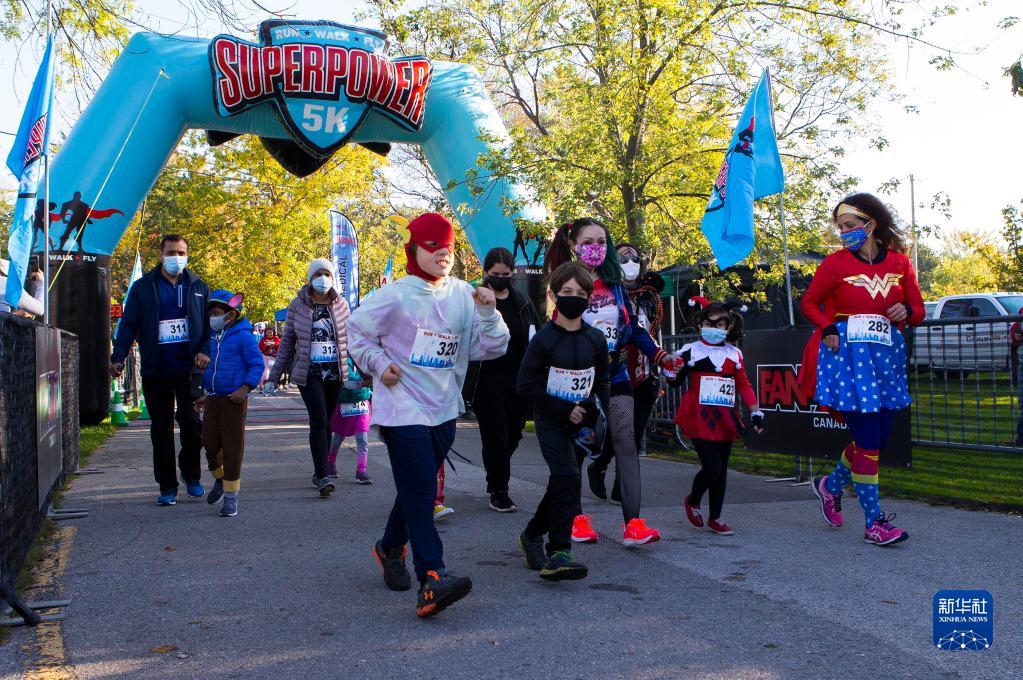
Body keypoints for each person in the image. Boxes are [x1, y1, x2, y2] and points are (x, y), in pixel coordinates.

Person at [348, 212, 509, 618]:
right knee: (422, 491)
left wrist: (489, 314)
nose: (443, 254)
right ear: (414, 249)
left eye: (449, 247)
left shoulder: (464, 295)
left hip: (444, 409)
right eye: (433, 246)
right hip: (401, 408)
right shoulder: (393, 296)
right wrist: (378, 363)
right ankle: (432, 577)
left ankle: (389, 548)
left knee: (415, 488)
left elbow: (491, 348)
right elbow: (357, 333)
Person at [543, 218, 678, 547]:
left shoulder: (615, 284)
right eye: (589, 241)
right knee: (579, 446)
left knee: (626, 443)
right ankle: (575, 519)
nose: (596, 248)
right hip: (578, 378)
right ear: (574, 244)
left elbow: (631, 328)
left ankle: (633, 524)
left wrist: (659, 355)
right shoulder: (565, 282)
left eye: (602, 242)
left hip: (615, 374)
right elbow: (555, 330)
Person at [799, 193, 924, 546]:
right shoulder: (835, 264)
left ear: (872, 223)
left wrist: (905, 311)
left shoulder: (900, 263)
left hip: (885, 360)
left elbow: (918, 310)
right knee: (869, 442)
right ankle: (874, 523)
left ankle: (830, 486)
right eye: (841, 227)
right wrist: (827, 327)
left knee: (875, 441)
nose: (844, 232)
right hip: (848, 359)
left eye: (850, 225)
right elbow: (809, 302)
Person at [516, 262, 609, 580]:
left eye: (580, 293)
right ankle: (559, 550)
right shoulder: (544, 340)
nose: (574, 297)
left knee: (562, 481)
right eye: (567, 292)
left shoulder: (595, 339)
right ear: (554, 296)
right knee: (568, 476)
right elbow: (524, 384)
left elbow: (602, 381)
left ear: (589, 298)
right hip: (551, 421)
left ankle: (532, 534)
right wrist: (562, 408)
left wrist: (597, 410)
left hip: (583, 424)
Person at [111, 235, 211, 506]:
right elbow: (128, 324)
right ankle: (167, 486)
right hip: (156, 368)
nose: (176, 257)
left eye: (181, 252)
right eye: (171, 252)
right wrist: (118, 356)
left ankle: (191, 475)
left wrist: (205, 351)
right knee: (161, 428)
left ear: (187, 255)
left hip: (189, 368)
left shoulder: (199, 286)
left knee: (192, 423)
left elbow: (209, 326)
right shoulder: (143, 287)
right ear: (161, 254)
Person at [668, 299, 764, 535]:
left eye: (719, 324)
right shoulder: (690, 350)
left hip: (725, 418)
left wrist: (755, 412)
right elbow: (674, 381)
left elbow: (743, 384)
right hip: (698, 416)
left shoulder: (734, 354)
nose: (714, 328)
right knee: (711, 468)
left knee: (721, 470)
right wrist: (676, 371)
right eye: (709, 323)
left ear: (728, 327)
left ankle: (716, 517)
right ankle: (693, 500)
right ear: (700, 324)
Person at [587, 242, 664, 501]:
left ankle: (621, 487)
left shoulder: (650, 296)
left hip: (645, 371)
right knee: (620, 428)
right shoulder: (606, 292)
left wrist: (661, 361)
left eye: (634, 258)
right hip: (616, 369)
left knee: (635, 430)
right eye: (623, 259)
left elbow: (651, 331)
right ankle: (599, 465)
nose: (630, 263)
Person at [268, 258, 350, 498]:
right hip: (309, 372)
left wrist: (367, 372)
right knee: (319, 420)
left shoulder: (341, 304)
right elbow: (287, 343)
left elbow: (352, 340)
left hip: (335, 372)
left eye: (327, 274)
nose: (323, 279)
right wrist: (274, 377)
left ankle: (320, 470)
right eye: (318, 274)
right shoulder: (298, 305)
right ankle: (323, 475)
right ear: (310, 278)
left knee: (328, 423)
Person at [471, 246, 542, 513]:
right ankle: (499, 490)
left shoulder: (522, 301)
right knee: (496, 435)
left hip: (518, 378)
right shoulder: (475, 300)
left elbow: (536, 335)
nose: (500, 278)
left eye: (505, 274)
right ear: (486, 272)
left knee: (513, 433)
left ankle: (496, 470)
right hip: (486, 377)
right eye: (495, 273)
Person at [195, 290, 263, 517]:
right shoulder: (211, 338)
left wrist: (244, 389)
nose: (212, 318)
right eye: (210, 314)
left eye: (216, 313)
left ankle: (231, 496)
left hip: (234, 400)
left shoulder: (244, 336)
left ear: (231, 314)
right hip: (213, 398)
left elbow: (257, 365)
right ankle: (220, 478)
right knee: (209, 443)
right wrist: (206, 394)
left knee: (232, 448)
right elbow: (211, 369)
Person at [327, 358, 373, 484]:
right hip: (345, 402)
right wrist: (366, 382)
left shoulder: (365, 354)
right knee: (338, 437)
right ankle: (330, 461)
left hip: (362, 403)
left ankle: (361, 471)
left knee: (362, 438)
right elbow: (348, 378)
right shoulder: (344, 356)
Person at [258, 327, 280, 391]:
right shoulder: (263, 339)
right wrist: (266, 345)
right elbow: (261, 348)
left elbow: (279, 344)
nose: (269, 334)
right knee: (265, 371)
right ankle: (262, 386)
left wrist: (273, 343)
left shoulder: (276, 338)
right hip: (265, 357)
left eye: (271, 332)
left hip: (274, 357)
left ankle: (273, 385)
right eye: (268, 332)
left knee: (273, 371)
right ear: (265, 333)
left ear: (273, 333)